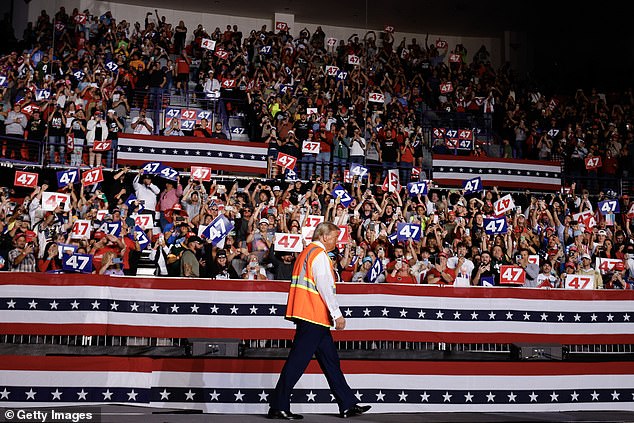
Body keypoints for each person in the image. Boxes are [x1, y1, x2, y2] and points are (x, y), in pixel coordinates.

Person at [268, 222, 371, 420]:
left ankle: (347, 404)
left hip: (312, 316)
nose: (336, 242)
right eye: (334, 238)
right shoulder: (319, 254)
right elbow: (324, 286)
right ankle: (278, 405)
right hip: (313, 316)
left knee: (331, 362)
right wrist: (337, 314)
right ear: (324, 237)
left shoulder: (307, 252)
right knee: (297, 362)